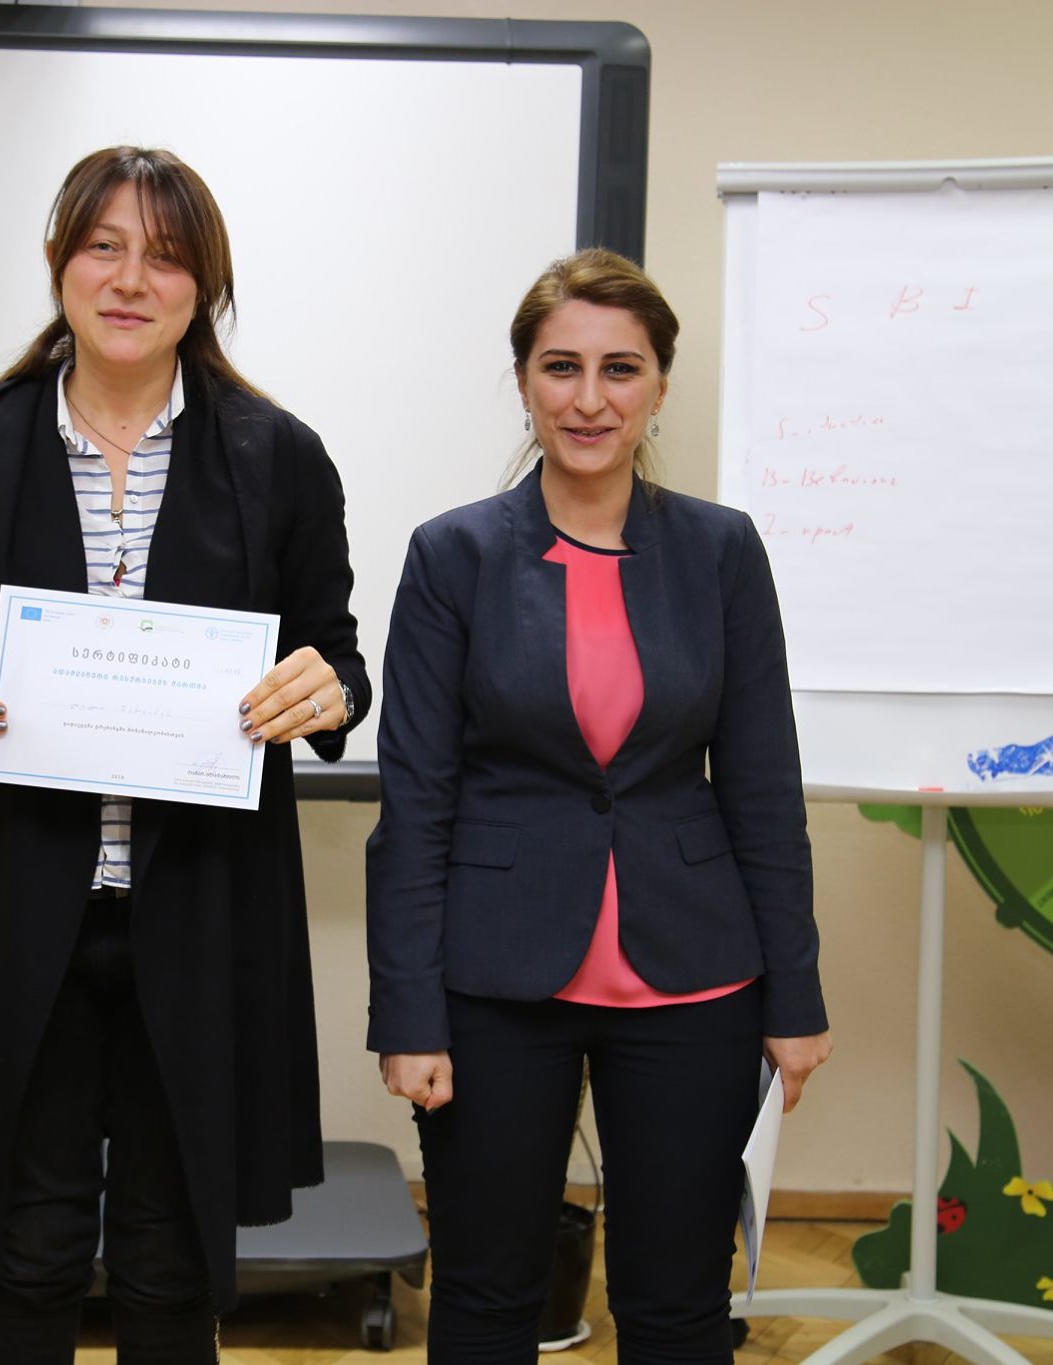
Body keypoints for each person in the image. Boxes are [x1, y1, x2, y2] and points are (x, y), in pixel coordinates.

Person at [0, 145, 367, 1363]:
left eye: (166, 256)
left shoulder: (277, 457)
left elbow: (340, 660)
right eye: (104, 246)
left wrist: (326, 691)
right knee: (28, 1252)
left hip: (200, 915)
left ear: (205, 288)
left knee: (168, 1259)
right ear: (60, 264)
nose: (131, 279)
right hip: (14, 908)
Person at [366, 249, 832, 1364]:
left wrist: (796, 994)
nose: (589, 398)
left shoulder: (721, 551)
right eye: (560, 367)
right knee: (486, 1298)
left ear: (659, 385)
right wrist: (408, 1013)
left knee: (677, 1306)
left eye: (619, 369)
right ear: (523, 381)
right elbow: (415, 801)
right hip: (494, 980)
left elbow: (763, 791)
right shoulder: (453, 555)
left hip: (695, 977)